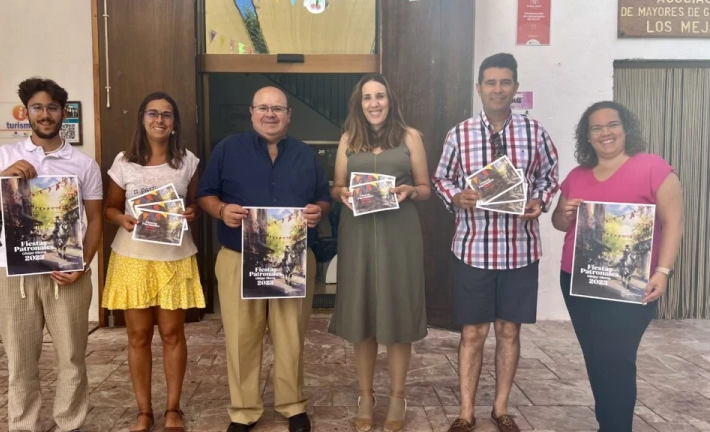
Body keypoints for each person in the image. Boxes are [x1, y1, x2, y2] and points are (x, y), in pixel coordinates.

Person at [433, 53, 559, 432]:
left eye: (505, 82)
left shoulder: (535, 133)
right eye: (491, 82)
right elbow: (441, 179)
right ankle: (466, 412)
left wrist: (540, 201)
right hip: (473, 248)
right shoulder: (459, 134)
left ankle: (500, 408)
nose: (498, 89)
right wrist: (456, 197)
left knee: (509, 331)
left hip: (520, 250)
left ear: (515, 88)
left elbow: (550, 177)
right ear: (479, 88)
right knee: (473, 333)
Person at [197, 86, 331, 432]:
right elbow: (205, 194)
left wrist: (318, 211)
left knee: (291, 336)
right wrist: (221, 210)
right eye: (263, 108)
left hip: (292, 259)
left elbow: (323, 197)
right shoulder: (227, 150)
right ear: (252, 112)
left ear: (289, 115)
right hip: (239, 257)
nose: (270, 114)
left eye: (278, 109)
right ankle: (244, 410)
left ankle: (292, 405)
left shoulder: (305, 155)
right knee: (241, 337)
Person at [0, 77, 103, 432]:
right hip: (13, 273)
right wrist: (5, 177)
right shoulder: (5, 156)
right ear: (26, 112)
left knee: (72, 357)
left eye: (52, 108)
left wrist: (83, 264)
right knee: (20, 361)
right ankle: (23, 425)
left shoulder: (83, 164)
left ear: (63, 113)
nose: (45, 114)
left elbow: (95, 221)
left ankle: (70, 424)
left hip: (66, 273)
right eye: (37, 108)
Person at [551, 101, 683, 432]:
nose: (605, 133)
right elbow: (559, 222)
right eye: (596, 128)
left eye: (612, 124)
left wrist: (663, 271)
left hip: (631, 283)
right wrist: (565, 213)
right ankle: (607, 424)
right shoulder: (577, 175)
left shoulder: (653, 168)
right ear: (587, 136)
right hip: (579, 280)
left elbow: (674, 223)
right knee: (596, 357)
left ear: (626, 128)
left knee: (617, 359)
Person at [327, 73, 430, 432]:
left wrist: (410, 191)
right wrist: (341, 193)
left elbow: (426, 188)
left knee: (398, 312)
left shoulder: (410, 136)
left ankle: (398, 396)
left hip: (399, 234)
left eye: (380, 96)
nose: (374, 103)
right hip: (357, 234)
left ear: (390, 100)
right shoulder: (347, 139)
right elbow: (337, 186)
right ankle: (365, 396)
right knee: (362, 313)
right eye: (367, 97)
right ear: (359, 103)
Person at [102, 92, 205, 432]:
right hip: (133, 258)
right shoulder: (124, 161)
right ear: (142, 119)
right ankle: (144, 411)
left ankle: (173, 409)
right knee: (138, 336)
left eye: (166, 114)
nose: (159, 120)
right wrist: (121, 219)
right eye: (153, 113)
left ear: (175, 123)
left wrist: (192, 212)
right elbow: (110, 207)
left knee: (173, 334)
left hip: (173, 258)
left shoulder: (187, 162)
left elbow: (196, 204)